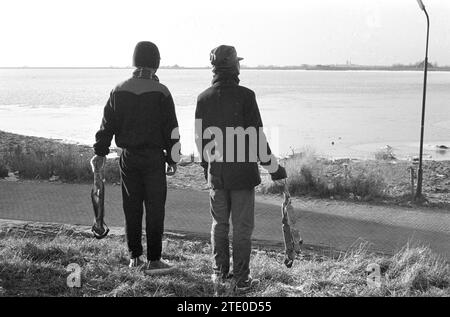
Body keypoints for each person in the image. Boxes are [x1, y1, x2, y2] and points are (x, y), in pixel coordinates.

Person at [195, 45, 287, 292]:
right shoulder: (246, 96)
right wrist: (274, 168)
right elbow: (256, 137)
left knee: (219, 225)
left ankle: (219, 274)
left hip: (217, 174)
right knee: (242, 229)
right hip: (242, 175)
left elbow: (201, 140)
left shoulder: (203, 98)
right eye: (239, 63)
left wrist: (207, 168)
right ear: (235, 66)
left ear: (214, 68)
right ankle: (241, 279)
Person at [91, 41, 180, 274]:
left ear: (135, 61)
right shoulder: (162, 92)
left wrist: (99, 153)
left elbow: (106, 125)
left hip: (128, 158)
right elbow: (172, 129)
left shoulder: (118, 89)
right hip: (153, 158)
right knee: (154, 208)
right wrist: (173, 159)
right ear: (156, 63)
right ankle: (154, 260)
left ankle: (134, 257)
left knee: (131, 207)